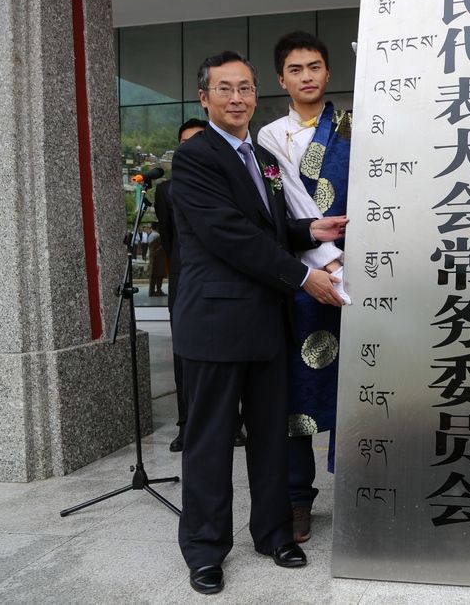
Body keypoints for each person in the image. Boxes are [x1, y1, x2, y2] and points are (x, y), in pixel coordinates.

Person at [170, 50, 347, 595]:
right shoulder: (195, 158)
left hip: (268, 322)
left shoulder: (263, 156)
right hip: (216, 323)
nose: (237, 98)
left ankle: (274, 534)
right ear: (204, 97)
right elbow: (230, 234)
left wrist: (309, 230)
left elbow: (267, 226)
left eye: (244, 88)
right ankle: (205, 549)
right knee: (211, 442)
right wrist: (303, 276)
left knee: (271, 435)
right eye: (224, 89)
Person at [257, 31, 349, 544]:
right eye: (296, 69)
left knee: (363, 386)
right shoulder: (269, 137)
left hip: (363, 270)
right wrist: (327, 264)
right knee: (299, 392)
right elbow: (291, 205)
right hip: (302, 278)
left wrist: (352, 264)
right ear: (281, 79)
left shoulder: (359, 126)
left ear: (328, 72)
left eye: (314, 67)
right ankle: (297, 498)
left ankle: (365, 489)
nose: (307, 76)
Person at [155, 118, 248, 453]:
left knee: (229, 354)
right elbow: (169, 239)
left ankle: (233, 424)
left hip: (226, 281)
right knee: (184, 358)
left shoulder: (228, 181)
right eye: (185, 142)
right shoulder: (165, 190)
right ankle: (185, 425)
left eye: (197, 139)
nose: (191, 147)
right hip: (186, 281)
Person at [146, 222, 166, 296]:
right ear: (157, 227)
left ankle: (152, 291)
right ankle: (158, 290)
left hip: (153, 258)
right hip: (158, 259)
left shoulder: (151, 235)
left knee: (153, 275)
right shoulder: (157, 236)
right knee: (159, 275)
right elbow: (161, 247)